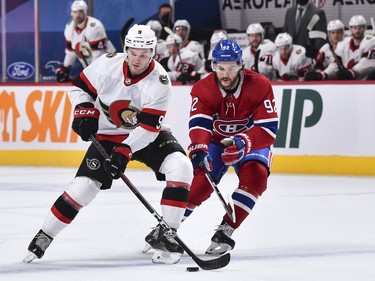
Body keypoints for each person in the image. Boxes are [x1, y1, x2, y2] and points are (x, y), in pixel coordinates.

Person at [23, 24, 193, 265]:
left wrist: (125, 149)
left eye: (144, 54)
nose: (137, 59)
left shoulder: (160, 82)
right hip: (107, 137)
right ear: (126, 49)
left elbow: (147, 129)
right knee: (82, 188)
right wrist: (83, 108)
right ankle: (45, 235)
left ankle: (168, 234)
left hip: (147, 135)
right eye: (133, 52)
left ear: (153, 53)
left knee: (181, 167)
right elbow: (80, 88)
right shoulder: (106, 63)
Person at [182, 39, 278, 255]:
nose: (225, 74)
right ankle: (168, 227)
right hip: (216, 142)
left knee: (257, 177)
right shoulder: (203, 88)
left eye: (231, 68)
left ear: (241, 65)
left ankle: (226, 230)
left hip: (250, 140)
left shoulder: (260, 85)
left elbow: (269, 128)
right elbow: (199, 124)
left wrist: (244, 142)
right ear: (213, 65)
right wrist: (199, 148)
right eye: (220, 68)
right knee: (201, 184)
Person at [56, 0, 116, 83]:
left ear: (85, 12)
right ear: (71, 13)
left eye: (80, 11)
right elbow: (71, 53)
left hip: (109, 67)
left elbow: (99, 55)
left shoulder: (95, 27)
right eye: (75, 12)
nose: (77, 15)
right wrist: (65, 69)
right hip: (91, 69)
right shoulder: (69, 28)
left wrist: (90, 75)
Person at [310, 15, 375, 80]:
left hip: (367, 83)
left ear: (364, 28)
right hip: (348, 83)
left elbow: (368, 62)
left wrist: (353, 72)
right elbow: (336, 65)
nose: (357, 31)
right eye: (355, 28)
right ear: (350, 29)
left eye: (360, 28)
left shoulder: (371, 42)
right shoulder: (342, 44)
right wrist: (323, 75)